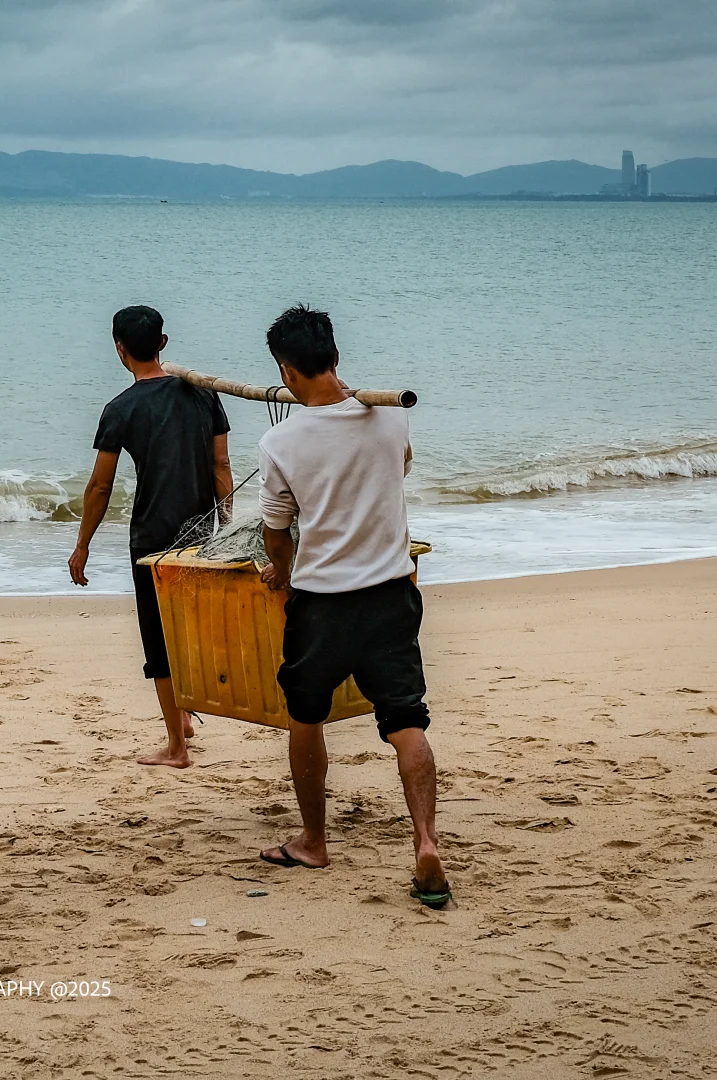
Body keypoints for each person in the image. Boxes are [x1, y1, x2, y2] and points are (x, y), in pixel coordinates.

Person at [253, 305, 450, 910]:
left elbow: (276, 530)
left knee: (305, 716)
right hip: (392, 593)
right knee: (407, 720)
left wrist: (283, 575)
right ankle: (425, 840)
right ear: (336, 356)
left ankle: (313, 841)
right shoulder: (391, 417)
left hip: (323, 603)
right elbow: (398, 470)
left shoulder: (280, 441)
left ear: (286, 372)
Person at [69, 305, 232, 768]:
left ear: (119, 349)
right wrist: (226, 527)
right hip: (200, 532)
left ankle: (177, 747)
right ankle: (182, 717)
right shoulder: (204, 394)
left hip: (152, 538)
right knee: (188, 630)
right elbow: (221, 466)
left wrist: (82, 544)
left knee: (159, 639)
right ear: (163, 343)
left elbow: (100, 486)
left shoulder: (120, 408)